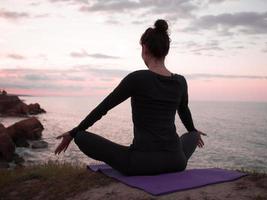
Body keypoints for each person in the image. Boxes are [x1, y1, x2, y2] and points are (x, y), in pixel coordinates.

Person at [55, 19, 206, 176]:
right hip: (176, 161)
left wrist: (73, 133)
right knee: (194, 134)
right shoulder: (180, 81)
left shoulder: (137, 78)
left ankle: (77, 135)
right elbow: (184, 111)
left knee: (81, 137)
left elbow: (103, 108)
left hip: (140, 164)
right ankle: (193, 136)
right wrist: (192, 131)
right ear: (166, 51)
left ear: (144, 48)